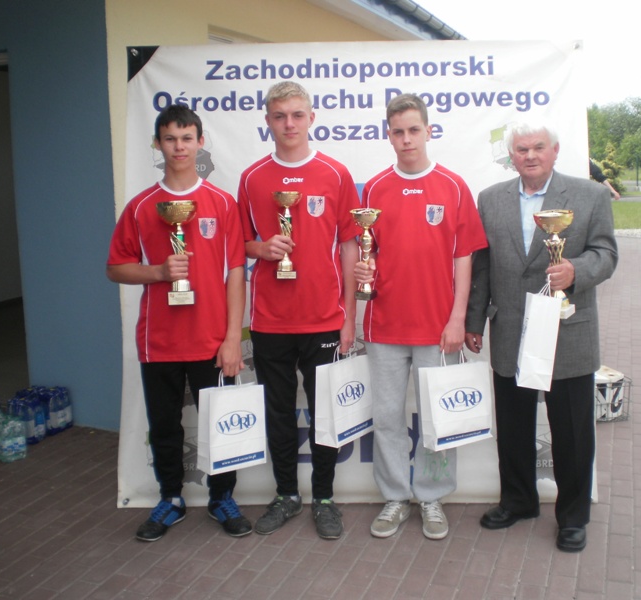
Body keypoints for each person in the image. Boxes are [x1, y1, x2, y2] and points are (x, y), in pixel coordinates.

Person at [466, 122, 618, 552]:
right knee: (513, 427)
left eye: (538, 147)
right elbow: (482, 265)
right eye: (521, 149)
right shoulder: (490, 199)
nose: (530, 155)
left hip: (567, 330)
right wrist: (474, 320)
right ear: (511, 156)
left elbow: (607, 253)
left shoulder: (589, 195)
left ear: (555, 151)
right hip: (511, 329)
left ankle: (573, 517)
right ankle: (518, 501)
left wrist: (576, 271)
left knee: (571, 431)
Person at [107, 104, 252, 541]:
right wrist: (157, 272)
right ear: (157, 144)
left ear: (200, 142)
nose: (179, 147)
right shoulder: (140, 207)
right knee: (165, 427)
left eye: (187, 138)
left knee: (220, 424)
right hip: (160, 341)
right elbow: (115, 268)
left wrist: (232, 338)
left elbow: (235, 273)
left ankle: (222, 498)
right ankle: (170, 498)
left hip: (212, 340)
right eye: (170, 138)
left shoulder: (222, 204)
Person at [354, 93, 487, 540]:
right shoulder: (374, 189)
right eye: (398, 131)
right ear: (388, 135)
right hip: (384, 326)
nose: (406, 139)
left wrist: (457, 319)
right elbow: (367, 251)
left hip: (438, 329)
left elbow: (464, 259)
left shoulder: (453, 186)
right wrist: (364, 270)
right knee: (387, 417)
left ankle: (431, 496)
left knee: (437, 419)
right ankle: (395, 496)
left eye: (414, 130)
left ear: (429, 131)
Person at [237, 81, 359, 540]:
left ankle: (324, 497)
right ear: (267, 120)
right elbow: (238, 243)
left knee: (326, 413)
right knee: (279, 412)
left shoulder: (335, 174)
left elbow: (349, 247)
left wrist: (349, 317)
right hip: (270, 321)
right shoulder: (252, 178)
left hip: (325, 318)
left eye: (297, 114)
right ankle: (286, 494)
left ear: (311, 118)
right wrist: (262, 248)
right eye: (279, 115)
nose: (289, 124)